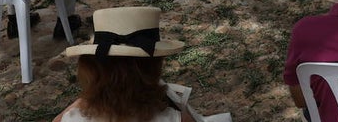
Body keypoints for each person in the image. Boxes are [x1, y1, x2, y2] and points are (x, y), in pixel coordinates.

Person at [56, 7, 228, 122]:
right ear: (154, 66)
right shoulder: (174, 119)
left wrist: (89, 96)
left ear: (90, 67)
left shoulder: (72, 118)